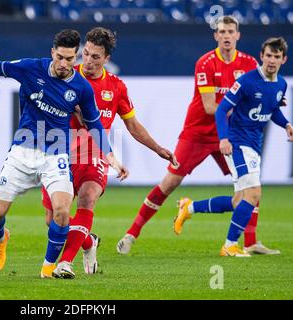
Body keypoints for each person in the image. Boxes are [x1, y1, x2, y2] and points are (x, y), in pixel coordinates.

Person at [0, 30, 129, 278]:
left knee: (62, 211)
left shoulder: (81, 87)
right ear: (52, 53)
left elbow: (95, 123)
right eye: (61, 58)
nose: (66, 64)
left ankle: (49, 269)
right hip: (23, 150)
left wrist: (110, 156)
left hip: (56, 154)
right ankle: (1, 239)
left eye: (70, 58)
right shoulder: (31, 68)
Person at [117, 15, 278, 255]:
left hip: (231, 135)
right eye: (221, 31)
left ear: (238, 35)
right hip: (198, 133)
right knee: (170, 182)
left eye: (230, 31)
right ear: (216, 36)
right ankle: (132, 234)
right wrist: (244, 108)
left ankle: (250, 241)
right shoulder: (205, 63)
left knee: (249, 188)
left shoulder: (248, 63)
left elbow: (259, 94)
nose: (226, 36)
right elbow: (211, 107)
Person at [41, 27, 178, 279]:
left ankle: (65, 263)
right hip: (59, 151)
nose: (88, 61)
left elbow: (133, 126)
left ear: (106, 59)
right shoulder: (64, 77)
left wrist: (158, 148)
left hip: (94, 151)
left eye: (95, 57)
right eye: (86, 54)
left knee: (88, 196)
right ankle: (87, 242)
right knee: (53, 221)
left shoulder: (115, 87)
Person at [175, 37, 292, 256]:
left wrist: (286, 124)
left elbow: (272, 109)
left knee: (239, 200)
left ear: (284, 59)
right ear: (261, 56)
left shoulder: (281, 84)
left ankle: (189, 207)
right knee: (254, 193)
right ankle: (229, 245)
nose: (272, 61)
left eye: (277, 57)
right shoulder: (247, 81)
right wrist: (224, 139)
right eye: (268, 55)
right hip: (238, 142)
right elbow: (221, 110)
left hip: (253, 144)